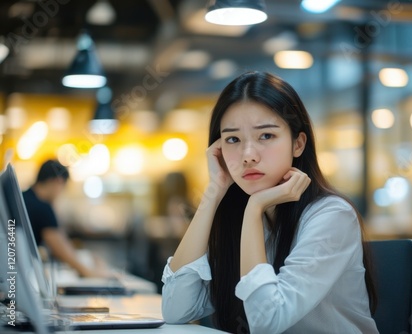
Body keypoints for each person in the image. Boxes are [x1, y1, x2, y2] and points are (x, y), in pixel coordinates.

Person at [161, 71, 378, 333]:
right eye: (233, 139)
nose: (248, 155)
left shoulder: (332, 216)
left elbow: (268, 322)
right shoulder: (239, 218)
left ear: (298, 144)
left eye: (266, 136)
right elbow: (176, 310)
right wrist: (214, 190)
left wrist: (254, 208)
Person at [23, 159, 107, 278]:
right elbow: (60, 249)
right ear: (58, 182)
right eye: (63, 187)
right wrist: (90, 272)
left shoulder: (24, 198)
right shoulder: (42, 207)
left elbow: (60, 241)